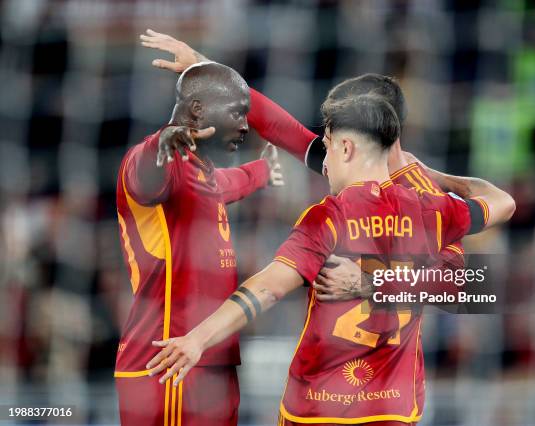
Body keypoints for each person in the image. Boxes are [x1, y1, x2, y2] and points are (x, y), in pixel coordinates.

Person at [145, 94, 515, 425]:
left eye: (328, 147)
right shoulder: (432, 211)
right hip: (392, 409)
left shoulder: (328, 217)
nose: (323, 165)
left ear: (347, 148)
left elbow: (269, 287)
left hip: (316, 408)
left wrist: (197, 338)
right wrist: (434, 176)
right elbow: (503, 202)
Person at [139, 30, 472, 299]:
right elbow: (276, 125)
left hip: (391, 374)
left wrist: (372, 282)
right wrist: (200, 65)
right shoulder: (340, 164)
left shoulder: (422, 192)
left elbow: (470, 286)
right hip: (323, 371)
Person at [115, 62, 283, 426]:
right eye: (238, 112)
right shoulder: (162, 163)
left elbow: (231, 182)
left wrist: (263, 171)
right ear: (197, 109)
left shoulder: (202, 174)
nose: (244, 124)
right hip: (168, 363)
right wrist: (161, 142)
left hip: (211, 358)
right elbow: (142, 174)